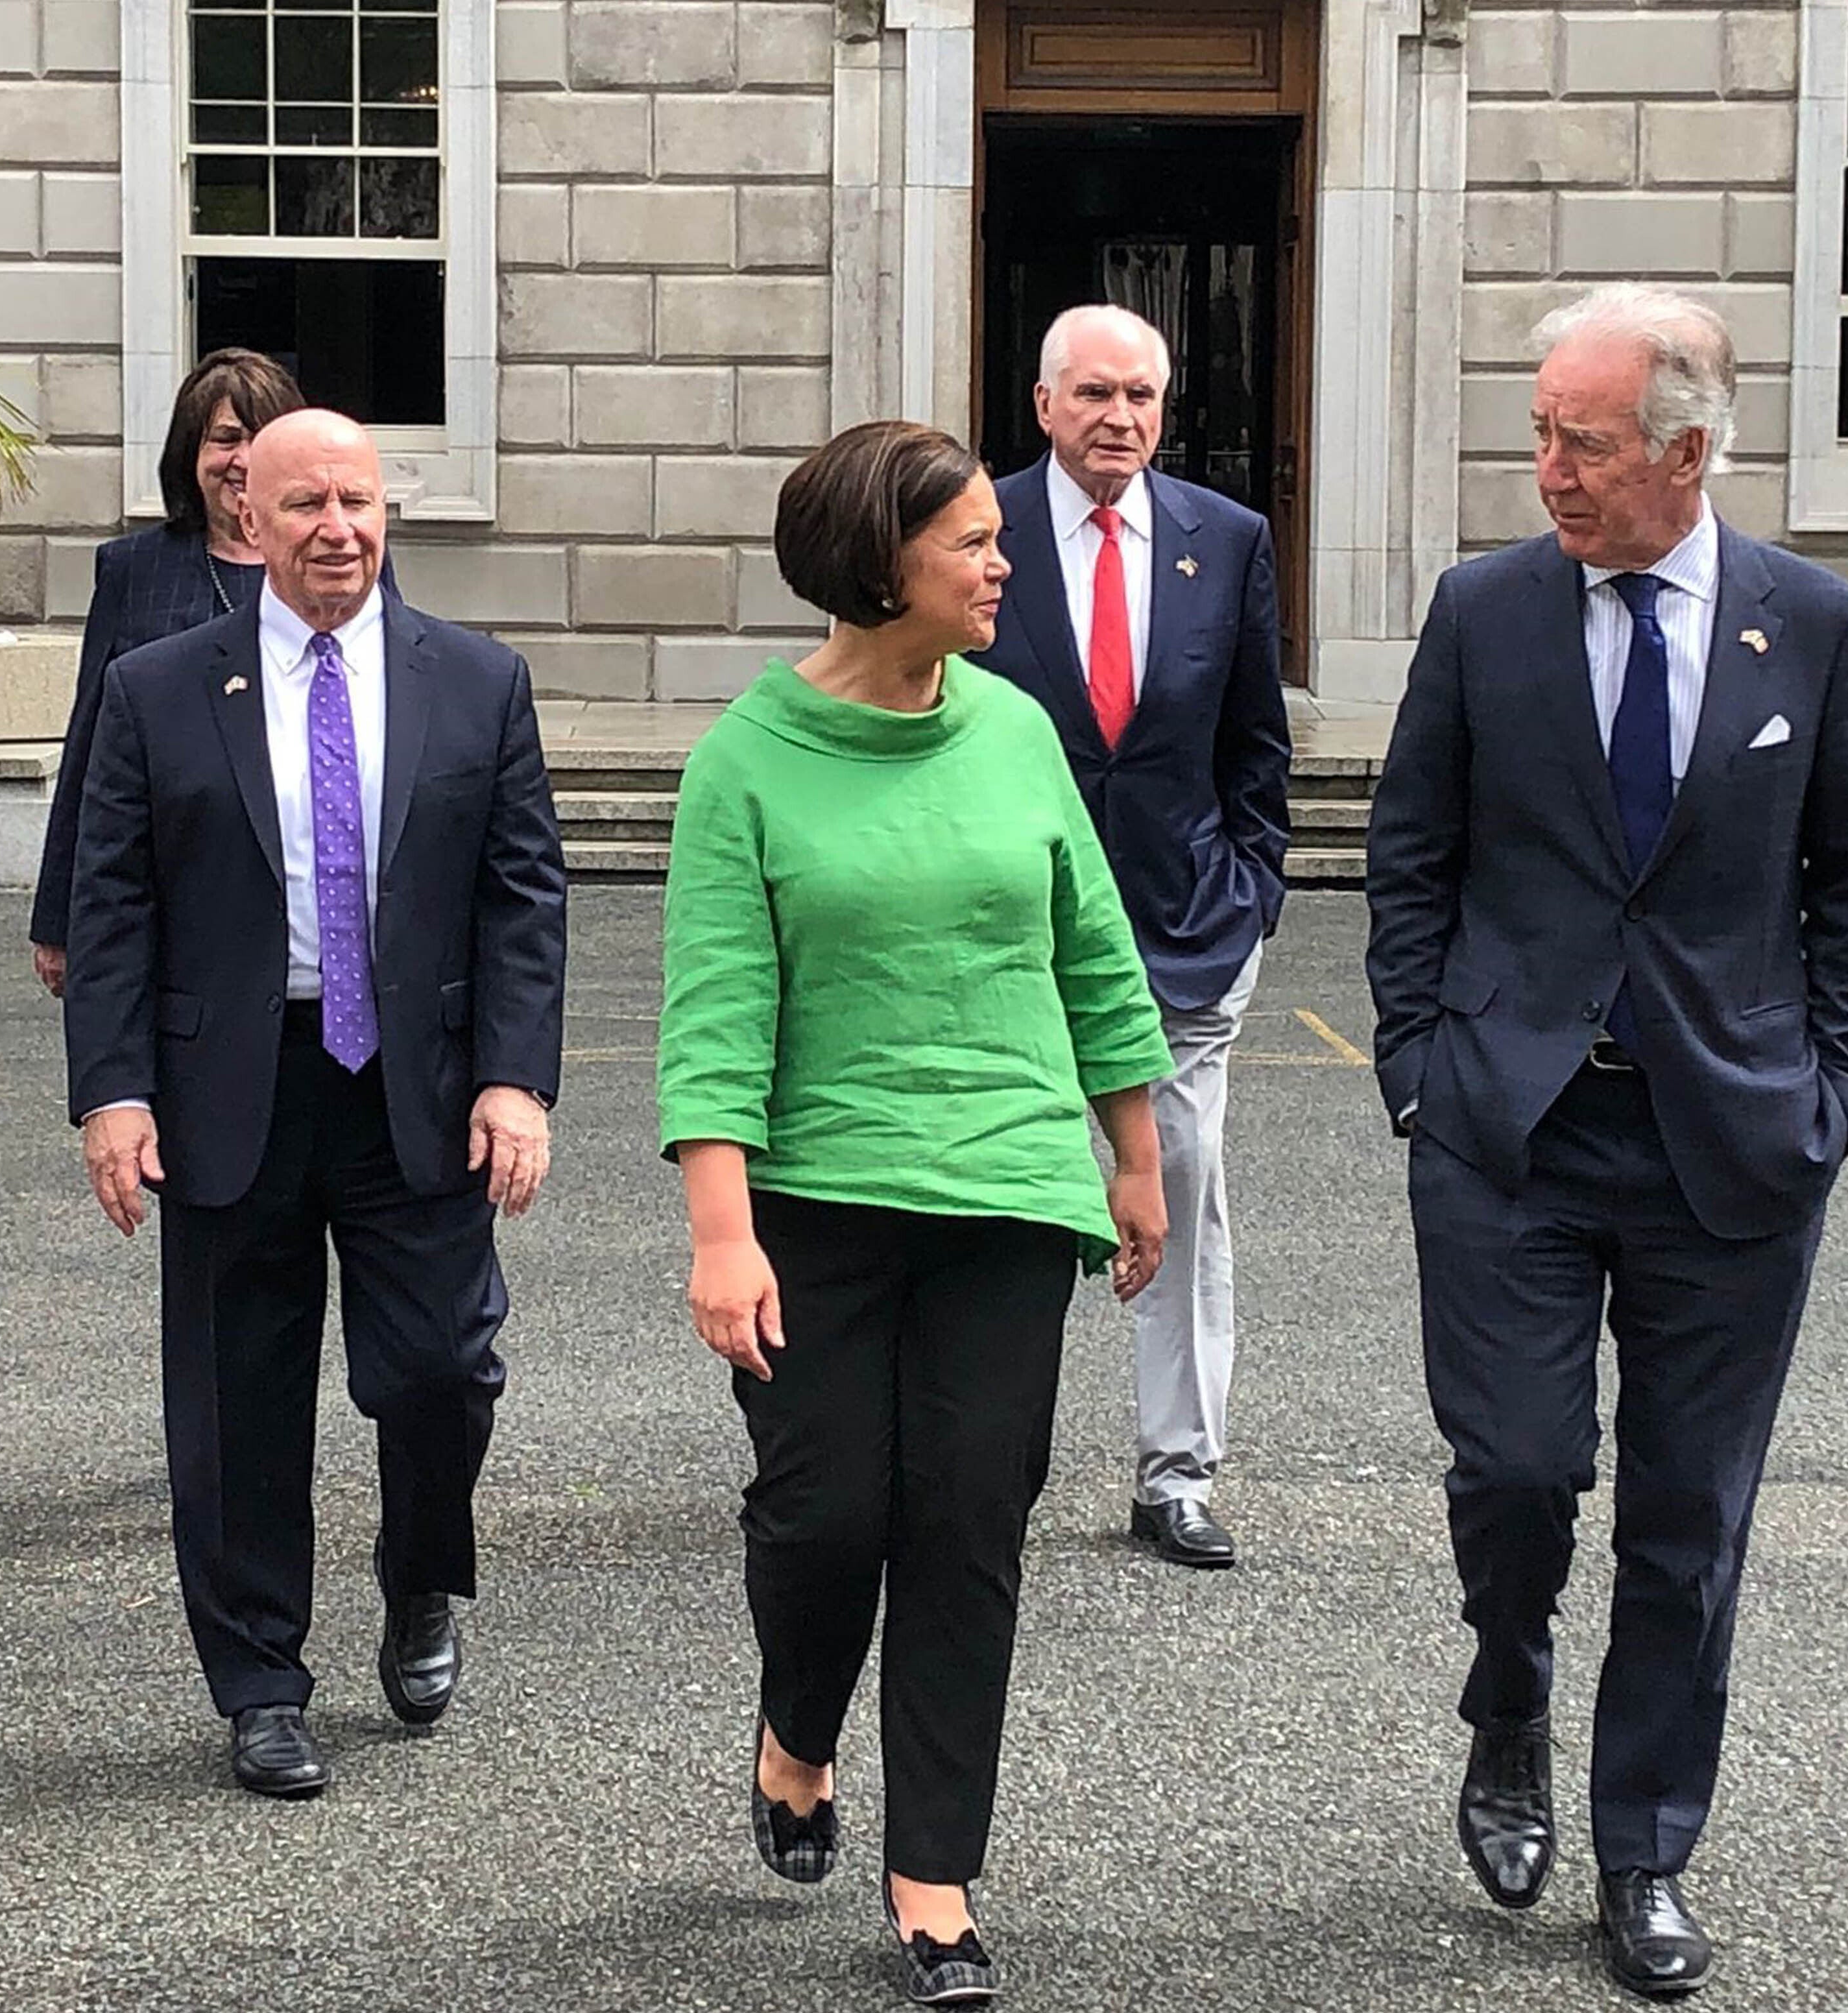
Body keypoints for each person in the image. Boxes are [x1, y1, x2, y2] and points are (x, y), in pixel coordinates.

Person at [1364, 284, 1848, 1999]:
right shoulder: (1482, 614)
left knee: (1691, 1517)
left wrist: (1824, 1095)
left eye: (1579, 442)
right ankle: (1507, 1693)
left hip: (1731, 1145)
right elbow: (1409, 855)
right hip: (1511, 1128)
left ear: (1687, 453)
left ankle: (1645, 1839)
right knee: (1520, 1468)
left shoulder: (1810, 627)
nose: (1548, 470)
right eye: (1537, 433)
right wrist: (1416, 1064)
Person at [658, 419, 1173, 2007]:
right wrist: (719, 1229)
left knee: (963, 1519)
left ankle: (933, 1870)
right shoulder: (747, 757)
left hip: (1007, 1188)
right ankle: (796, 1731)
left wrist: (1134, 1155)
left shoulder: (1014, 730)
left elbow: (1090, 949)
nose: (1002, 557)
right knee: (827, 1516)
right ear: (879, 565)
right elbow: (717, 1013)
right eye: (969, 541)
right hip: (813, 1197)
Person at [64, 409, 566, 1800]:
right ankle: (260, 1682)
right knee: (238, 1401)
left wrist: (518, 1079)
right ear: (250, 520)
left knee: (439, 1370)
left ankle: (420, 1580)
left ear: (384, 510)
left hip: (420, 1088)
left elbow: (523, 896)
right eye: (304, 506)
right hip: (234, 1081)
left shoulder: (475, 680)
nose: (334, 528)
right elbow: (113, 902)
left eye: (356, 500)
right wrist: (111, 1092)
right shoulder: (163, 686)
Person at [974, 302, 1293, 1569]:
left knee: (1178, 1190)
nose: (1119, 418)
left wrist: (1249, 891)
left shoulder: (1224, 541)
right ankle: (986, 1464)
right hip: (1006, 931)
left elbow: (1253, 746)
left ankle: (1174, 1471)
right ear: (1044, 403)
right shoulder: (976, 522)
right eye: (1094, 394)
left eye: (1141, 397)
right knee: (1005, 1211)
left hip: (1181, 931)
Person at [27, 348, 307, 996]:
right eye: (226, 439)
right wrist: (58, 914)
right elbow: (89, 742)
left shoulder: (334, 564)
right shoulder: (132, 570)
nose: (243, 459)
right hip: (165, 877)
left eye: (263, 439)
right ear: (191, 452)